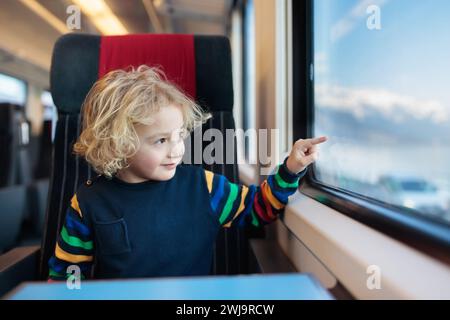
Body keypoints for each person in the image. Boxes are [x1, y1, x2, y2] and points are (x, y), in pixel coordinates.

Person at [48, 65, 327, 280]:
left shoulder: (203, 186)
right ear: (119, 144)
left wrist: (291, 169)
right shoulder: (88, 202)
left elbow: (259, 209)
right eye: (160, 141)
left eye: (179, 136)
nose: (177, 150)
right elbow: (66, 276)